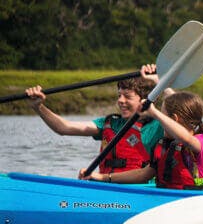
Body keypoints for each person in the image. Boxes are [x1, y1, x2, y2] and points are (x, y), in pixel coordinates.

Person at [25, 64, 171, 174]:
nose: (120, 100)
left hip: (139, 189)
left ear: (146, 99)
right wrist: (38, 107)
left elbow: (180, 111)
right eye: (119, 95)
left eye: (127, 96)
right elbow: (63, 128)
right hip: (106, 187)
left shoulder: (158, 125)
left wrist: (160, 82)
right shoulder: (110, 123)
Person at [80, 91, 203, 190]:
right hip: (168, 201)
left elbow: (185, 137)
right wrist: (102, 177)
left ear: (174, 119)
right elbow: (143, 175)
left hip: (194, 203)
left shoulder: (201, 142)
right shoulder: (166, 145)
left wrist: (153, 113)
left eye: (163, 116)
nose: (160, 123)